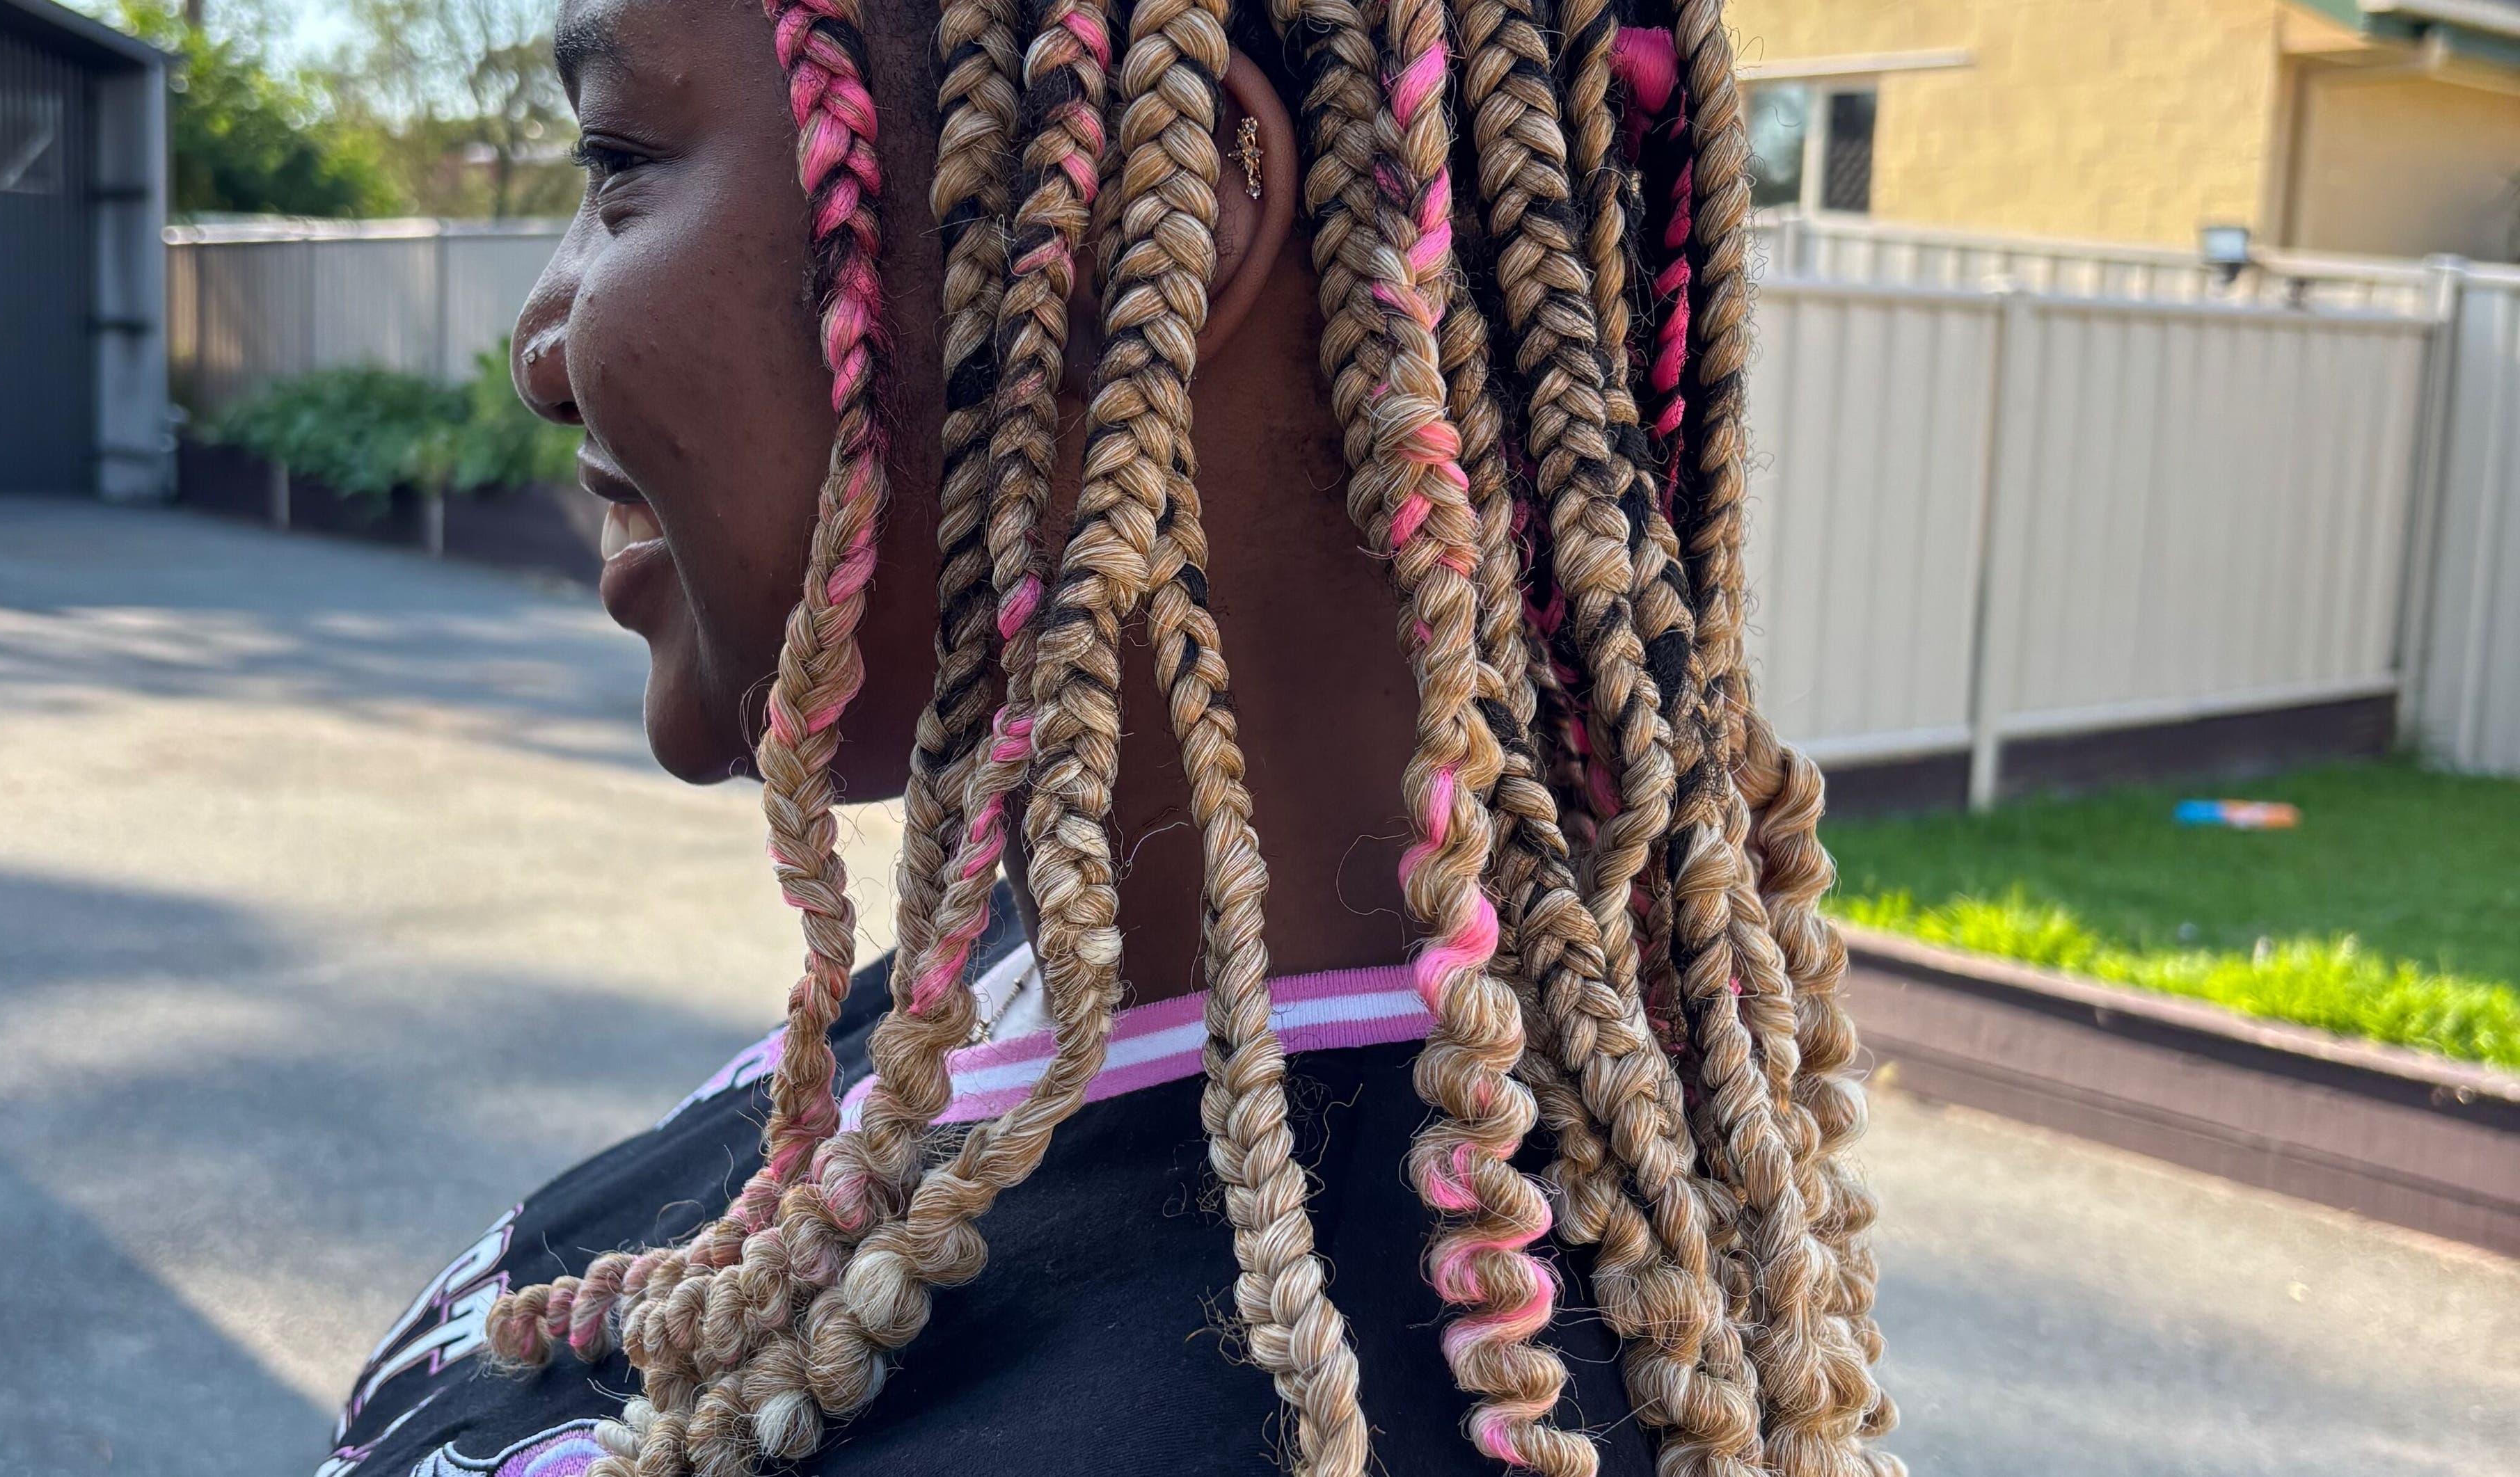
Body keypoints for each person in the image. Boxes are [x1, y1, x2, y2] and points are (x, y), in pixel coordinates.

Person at [319, 0, 1896, 1469]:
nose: (541, 341)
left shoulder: (1362, 1387)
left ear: (1144, 228)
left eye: (616, 166)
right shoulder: (1021, 993)